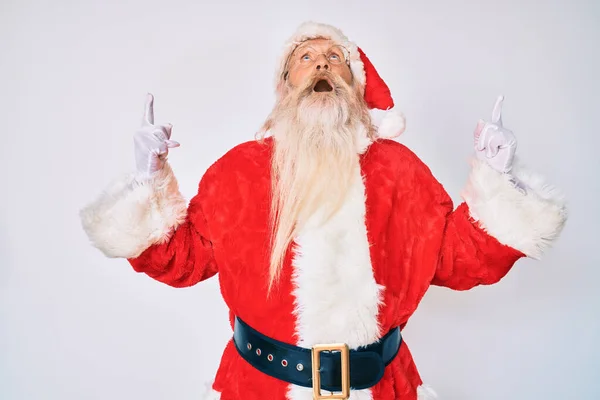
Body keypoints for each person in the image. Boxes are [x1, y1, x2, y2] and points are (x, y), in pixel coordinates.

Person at [79, 21, 567, 400]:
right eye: (306, 57)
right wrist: (148, 181)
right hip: (261, 387)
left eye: (335, 58)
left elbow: (455, 257)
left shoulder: (399, 169)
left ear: (355, 86)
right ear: (285, 83)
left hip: (378, 387)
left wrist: (496, 178)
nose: (321, 66)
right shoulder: (240, 170)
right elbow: (183, 259)